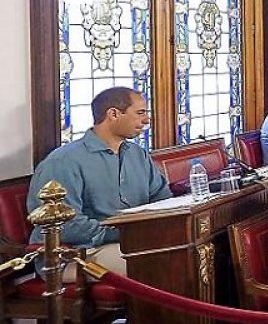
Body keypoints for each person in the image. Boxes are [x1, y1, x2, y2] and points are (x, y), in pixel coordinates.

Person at [27, 87, 170, 277]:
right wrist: (127, 234)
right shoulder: (64, 161)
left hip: (132, 242)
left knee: (191, 256)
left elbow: (162, 199)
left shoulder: (138, 154)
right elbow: (65, 226)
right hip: (74, 254)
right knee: (160, 266)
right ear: (113, 114)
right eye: (140, 113)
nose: (146, 120)